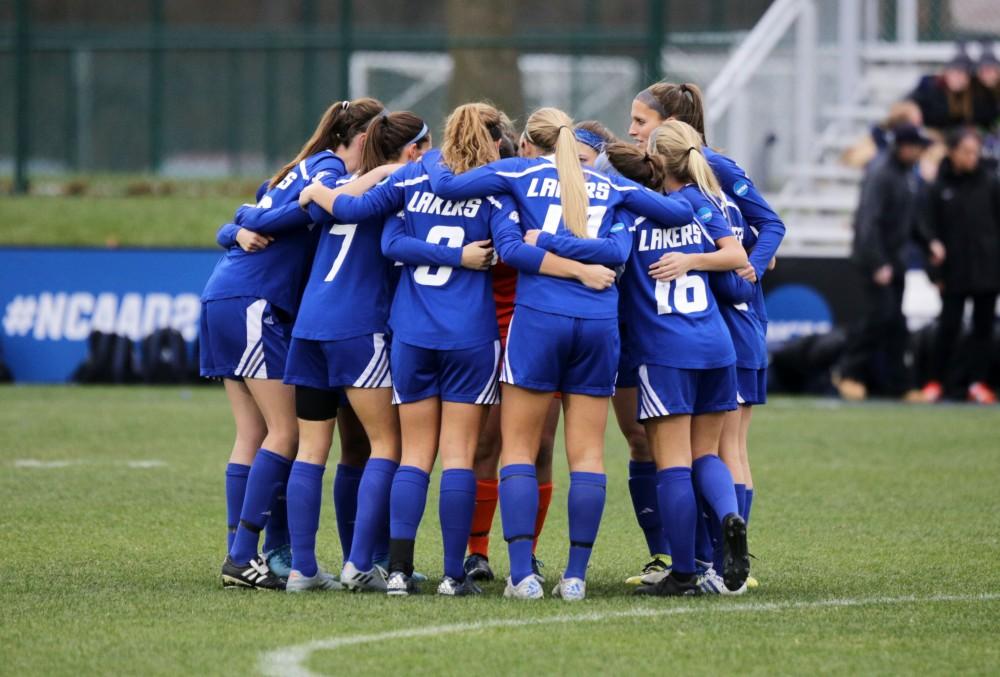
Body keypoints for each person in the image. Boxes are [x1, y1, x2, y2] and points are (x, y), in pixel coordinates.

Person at [300, 103, 616, 594]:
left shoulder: (416, 176)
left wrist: (317, 190)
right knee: (460, 456)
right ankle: (452, 574)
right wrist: (471, 257)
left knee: (414, 456)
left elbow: (389, 243)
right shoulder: (497, 188)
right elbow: (511, 248)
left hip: (412, 332)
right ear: (492, 140)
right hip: (471, 334)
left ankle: (400, 573)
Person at [426, 106, 695, 601]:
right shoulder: (610, 186)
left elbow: (446, 188)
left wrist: (426, 159)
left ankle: (523, 574)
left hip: (538, 321)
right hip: (598, 325)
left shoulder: (516, 171)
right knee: (588, 455)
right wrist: (692, 166)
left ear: (529, 140)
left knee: (519, 451)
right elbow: (681, 212)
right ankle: (574, 577)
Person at [206, 98, 383, 590]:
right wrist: (251, 223)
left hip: (229, 295)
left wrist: (238, 223)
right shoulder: (326, 168)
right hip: (254, 303)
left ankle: (252, 553)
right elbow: (286, 209)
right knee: (285, 434)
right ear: (365, 138)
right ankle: (246, 556)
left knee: (253, 434)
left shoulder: (300, 166)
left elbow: (247, 213)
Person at [621, 81, 785, 588]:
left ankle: (696, 565)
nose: (633, 133)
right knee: (712, 452)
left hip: (694, 334)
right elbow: (739, 245)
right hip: (712, 332)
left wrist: (746, 275)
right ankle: (718, 556)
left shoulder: (657, 199)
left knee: (684, 455)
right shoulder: (701, 201)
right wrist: (733, 264)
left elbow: (768, 230)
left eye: (641, 124)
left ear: (668, 130)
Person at [281, 109, 428, 592]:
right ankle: (359, 563)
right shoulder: (400, 187)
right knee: (387, 445)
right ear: (412, 150)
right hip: (358, 327)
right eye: (424, 147)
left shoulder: (347, 180)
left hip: (310, 325)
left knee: (315, 448)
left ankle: (304, 568)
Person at [607, 120, 751, 596]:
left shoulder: (630, 215)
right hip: (716, 346)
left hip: (665, 353)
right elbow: (736, 256)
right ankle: (729, 518)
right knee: (706, 453)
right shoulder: (699, 204)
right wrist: (694, 259)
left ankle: (684, 570)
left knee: (671, 463)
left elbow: (609, 266)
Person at [836, 123, 939, 401]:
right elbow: (868, 223)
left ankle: (901, 386)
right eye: (917, 147)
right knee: (878, 319)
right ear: (905, 146)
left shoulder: (907, 175)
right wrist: (878, 262)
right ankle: (848, 373)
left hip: (896, 260)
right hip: (876, 261)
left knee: (895, 324)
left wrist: (929, 243)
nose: (920, 153)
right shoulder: (882, 173)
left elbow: (911, 219)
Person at [920, 129, 999, 404]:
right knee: (948, 327)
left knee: (983, 329)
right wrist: (936, 273)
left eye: (975, 151)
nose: (972, 157)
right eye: (966, 151)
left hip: (988, 272)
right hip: (954, 272)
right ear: (952, 152)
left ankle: (977, 382)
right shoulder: (938, 188)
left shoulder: (990, 183)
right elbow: (928, 233)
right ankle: (936, 381)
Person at [908, 49, 977, 133]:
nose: (959, 79)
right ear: (947, 73)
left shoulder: (970, 95)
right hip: (925, 131)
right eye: (956, 73)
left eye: (964, 75)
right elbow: (908, 103)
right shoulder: (930, 86)